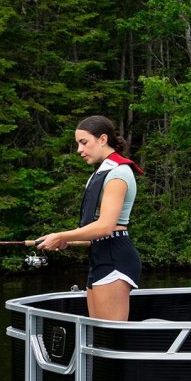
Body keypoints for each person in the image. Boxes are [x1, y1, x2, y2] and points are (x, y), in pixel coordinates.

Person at [35, 115, 142, 321]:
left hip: (114, 257)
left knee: (109, 335)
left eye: (84, 142)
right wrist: (67, 240)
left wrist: (61, 235)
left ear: (102, 139)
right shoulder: (100, 173)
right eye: (78, 144)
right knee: (97, 332)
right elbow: (97, 231)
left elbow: (105, 227)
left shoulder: (118, 174)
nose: (79, 150)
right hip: (99, 255)